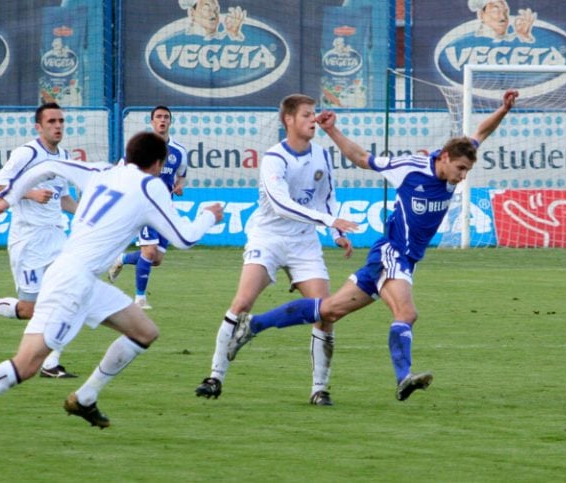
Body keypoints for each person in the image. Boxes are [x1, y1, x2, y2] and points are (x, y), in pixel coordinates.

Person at [0, 132, 223, 448]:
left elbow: (45, 167)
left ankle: (85, 396)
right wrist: (209, 215)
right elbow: (186, 238)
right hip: (71, 283)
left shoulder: (100, 171)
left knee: (144, 331)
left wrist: (8, 198)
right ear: (158, 164)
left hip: (83, 278)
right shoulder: (151, 187)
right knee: (27, 364)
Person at [226, 89, 519, 402]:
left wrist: (503, 109)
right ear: (445, 157)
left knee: (329, 310)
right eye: (460, 169)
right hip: (393, 254)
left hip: (397, 259)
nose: (462, 177)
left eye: (467, 171)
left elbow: (480, 133)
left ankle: (254, 325)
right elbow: (361, 158)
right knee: (406, 312)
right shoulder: (410, 168)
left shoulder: (459, 157)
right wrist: (332, 130)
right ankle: (404, 378)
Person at [194, 93, 359, 406]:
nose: (313, 120)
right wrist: (328, 220)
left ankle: (319, 389)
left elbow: (327, 197)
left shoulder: (322, 155)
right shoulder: (274, 158)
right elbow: (282, 205)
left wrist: (336, 231)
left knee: (325, 312)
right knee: (242, 301)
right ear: (289, 120)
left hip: (304, 242)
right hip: (267, 238)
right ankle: (215, 376)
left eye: (314, 114)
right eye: (307, 115)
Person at [0, 102, 80, 379]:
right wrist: (30, 193)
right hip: (28, 240)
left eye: (61, 121)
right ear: (39, 127)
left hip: (55, 236)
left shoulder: (64, 156)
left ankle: (51, 364)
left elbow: (63, 197)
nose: (58, 126)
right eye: (51, 122)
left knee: (71, 296)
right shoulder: (27, 153)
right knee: (31, 309)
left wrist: (86, 215)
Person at [107, 106, 187, 310]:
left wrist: (179, 185)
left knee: (156, 259)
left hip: (165, 210)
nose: (162, 120)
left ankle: (122, 258)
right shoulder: (140, 148)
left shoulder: (179, 152)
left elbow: (182, 175)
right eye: (158, 117)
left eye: (166, 117)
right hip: (143, 207)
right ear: (152, 122)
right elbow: (119, 172)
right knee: (149, 251)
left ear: (170, 122)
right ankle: (140, 299)